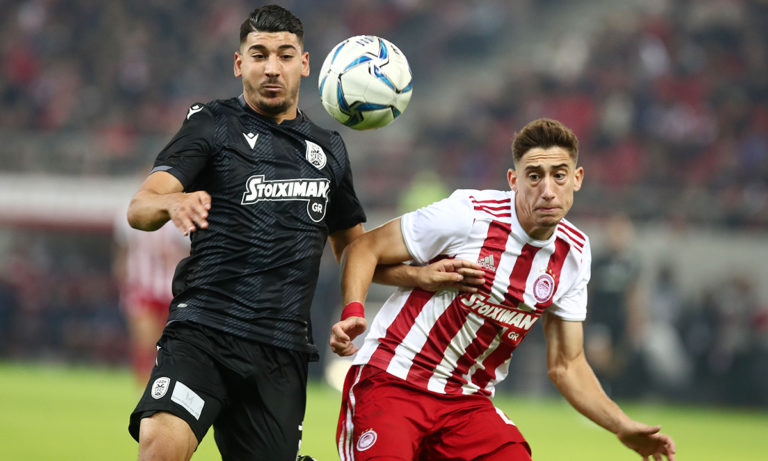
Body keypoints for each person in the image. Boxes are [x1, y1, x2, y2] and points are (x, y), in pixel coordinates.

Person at [125, 5, 480, 461]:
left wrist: (418, 276)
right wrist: (173, 202)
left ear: (306, 64)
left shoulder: (328, 151)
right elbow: (140, 207)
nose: (272, 67)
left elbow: (355, 251)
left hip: (281, 350)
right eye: (259, 55)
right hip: (204, 331)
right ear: (239, 64)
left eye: (285, 55)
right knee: (161, 447)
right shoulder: (211, 123)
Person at [330, 118, 677, 461]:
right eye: (534, 176)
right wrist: (356, 311)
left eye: (559, 175)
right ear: (514, 180)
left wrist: (621, 425)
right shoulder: (469, 215)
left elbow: (567, 364)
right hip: (394, 379)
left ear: (577, 178)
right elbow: (361, 249)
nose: (548, 190)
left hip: (466, 402)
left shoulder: (574, 254)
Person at [113, 209, 189, 385]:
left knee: (169, 344)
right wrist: (122, 278)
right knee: (145, 342)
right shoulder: (130, 212)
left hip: (171, 289)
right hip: (141, 287)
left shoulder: (180, 212)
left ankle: (166, 385)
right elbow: (122, 250)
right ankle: (143, 388)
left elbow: (188, 251)